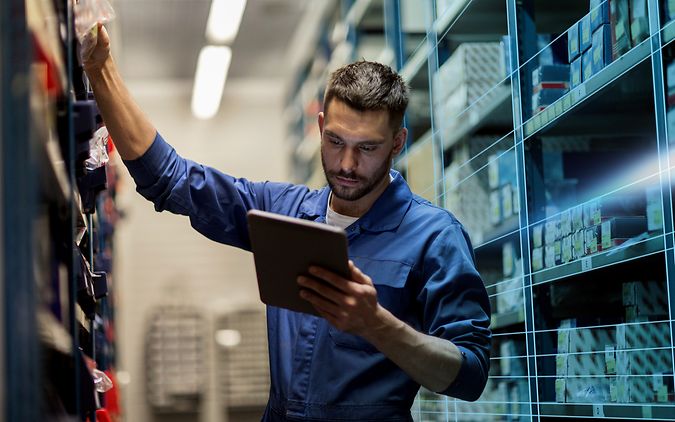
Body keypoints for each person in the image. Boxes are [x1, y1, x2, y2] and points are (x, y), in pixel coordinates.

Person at [83, 23, 491, 421]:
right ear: (319, 129)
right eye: (335, 142)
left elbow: (469, 375)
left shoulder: (435, 236)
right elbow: (171, 180)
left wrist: (377, 325)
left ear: (398, 143)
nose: (347, 164)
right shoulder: (283, 212)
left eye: (367, 148)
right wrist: (100, 69)